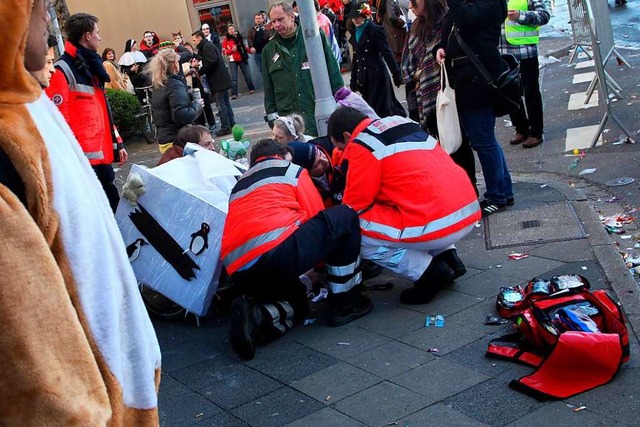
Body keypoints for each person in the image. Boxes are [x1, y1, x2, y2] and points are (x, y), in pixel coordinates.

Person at [0, 0, 161, 423]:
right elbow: (32, 356)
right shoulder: (37, 104)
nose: (44, 17)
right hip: (99, 402)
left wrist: (113, 141)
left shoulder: (44, 91)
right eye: (39, 7)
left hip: (97, 161)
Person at [221, 139, 372, 360]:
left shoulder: (239, 186)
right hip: (276, 253)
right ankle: (346, 304)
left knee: (298, 301)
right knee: (343, 217)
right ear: (281, 156)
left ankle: (258, 316)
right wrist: (321, 270)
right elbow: (317, 216)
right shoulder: (291, 171)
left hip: (239, 272)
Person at [327, 107, 480, 304]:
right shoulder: (401, 122)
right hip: (465, 209)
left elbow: (355, 204)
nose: (340, 152)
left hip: (436, 224)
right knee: (407, 205)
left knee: (354, 229)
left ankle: (427, 272)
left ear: (348, 135)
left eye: (340, 147)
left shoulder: (361, 145)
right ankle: (448, 256)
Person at [436, 0, 514, 216]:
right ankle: (503, 191)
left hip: (477, 82)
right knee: (485, 140)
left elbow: (465, 18)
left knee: (484, 141)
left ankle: (497, 195)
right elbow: (450, 25)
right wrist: (441, 47)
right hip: (465, 82)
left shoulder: (489, 3)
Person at [46, 12, 127, 213]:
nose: (100, 37)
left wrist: (118, 142)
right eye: (97, 32)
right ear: (87, 36)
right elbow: (57, 123)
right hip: (84, 164)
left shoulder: (91, 67)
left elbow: (102, 111)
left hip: (100, 159)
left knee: (114, 211)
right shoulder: (62, 71)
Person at [401, 0, 477, 192]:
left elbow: (454, 51)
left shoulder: (446, 20)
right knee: (441, 146)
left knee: (457, 141)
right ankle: (457, 189)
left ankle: (469, 188)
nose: (410, 6)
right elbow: (406, 65)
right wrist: (419, 72)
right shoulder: (415, 28)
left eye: (414, 1)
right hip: (426, 98)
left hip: (449, 92)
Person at [263, 1, 344, 136]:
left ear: (292, 16)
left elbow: (333, 73)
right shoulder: (269, 50)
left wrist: (340, 104)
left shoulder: (314, 38)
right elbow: (268, 89)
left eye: (280, 19)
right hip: (289, 125)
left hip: (317, 117)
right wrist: (273, 121)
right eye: (273, 21)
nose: (276, 25)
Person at [499, 0, 550, 149]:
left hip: (526, 50)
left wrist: (520, 16)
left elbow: (544, 16)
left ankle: (536, 132)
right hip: (503, 52)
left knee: (531, 91)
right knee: (509, 92)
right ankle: (521, 128)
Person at [349, 3, 405, 118]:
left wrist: (396, 73)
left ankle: (397, 130)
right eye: (353, 17)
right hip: (365, 78)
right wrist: (353, 79)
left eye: (358, 16)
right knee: (371, 110)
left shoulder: (375, 30)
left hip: (378, 75)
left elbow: (387, 52)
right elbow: (356, 58)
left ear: (365, 16)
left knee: (384, 109)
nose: (355, 20)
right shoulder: (355, 33)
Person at [146, 48, 203, 154]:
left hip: (165, 139)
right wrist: (197, 106)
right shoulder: (174, 84)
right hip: (177, 140)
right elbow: (181, 116)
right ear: (175, 63)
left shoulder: (159, 84)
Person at [192, 29, 235, 137]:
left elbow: (212, 61)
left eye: (194, 40)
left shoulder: (206, 46)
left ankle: (226, 127)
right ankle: (231, 124)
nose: (193, 42)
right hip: (220, 79)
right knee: (225, 103)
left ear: (199, 38)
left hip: (218, 80)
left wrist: (200, 71)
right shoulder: (205, 46)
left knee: (221, 104)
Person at [222, 24, 256, 99]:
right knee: (234, 78)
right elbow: (224, 52)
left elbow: (244, 47)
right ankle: (234, 93)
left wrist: (250, 51)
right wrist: (231, 50)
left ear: (234, 30)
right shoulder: (226, 40)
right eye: (230, 29)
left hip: (241, 58)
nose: (231, 30)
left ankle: (251, 88)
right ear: (228, 31)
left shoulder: (239, 37)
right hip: (233, 59)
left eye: (232, 29)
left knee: (246, 74)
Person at [375, 0, 408, 65]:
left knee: (398, 60)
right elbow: (392, 17)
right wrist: (402, 22)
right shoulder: (389, 1)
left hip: (393, 34)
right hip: (396, 34)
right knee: (401, 61)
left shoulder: (384, 2)